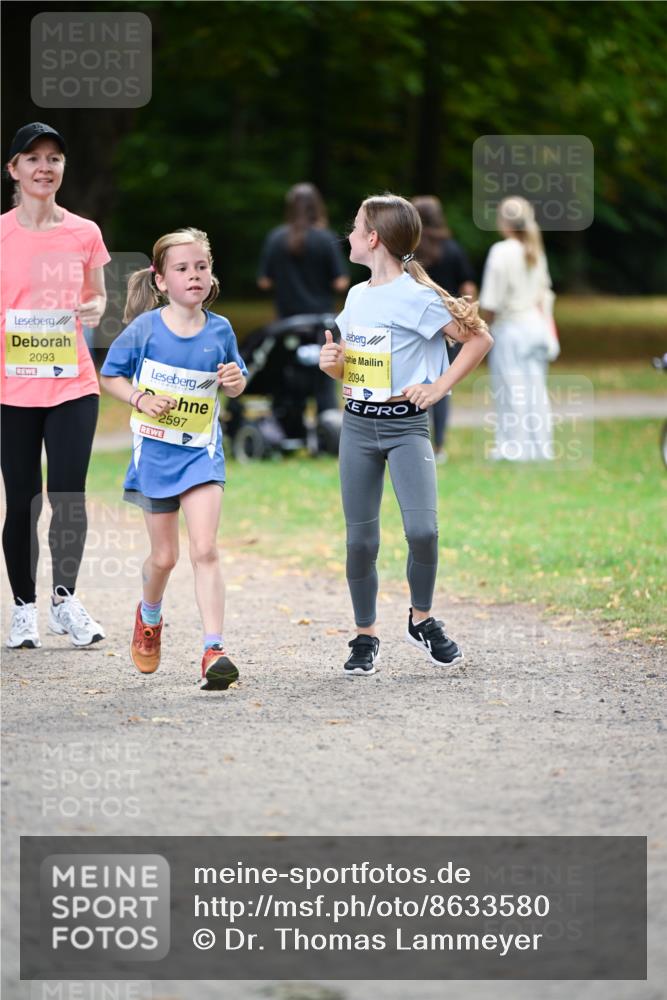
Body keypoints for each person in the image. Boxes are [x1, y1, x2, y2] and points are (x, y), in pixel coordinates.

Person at [319, 194, 493, 677]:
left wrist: (439, 387)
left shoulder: (417, 297)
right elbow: (355, 370)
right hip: (357, 426)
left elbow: (479, 338)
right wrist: (334, 366)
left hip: (407, 427)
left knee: (423, 531)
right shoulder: (356, 296)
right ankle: (364, 635)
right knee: (361, 542)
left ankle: (422, 618)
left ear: (373, 238)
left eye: (354, 227)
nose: (348, 235)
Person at [99, 228, 247, 690]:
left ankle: (213, 648)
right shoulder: (144, 329)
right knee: (164, 557)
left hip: (201, 456)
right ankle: (149, 616)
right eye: (182, 269)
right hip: (156, 457)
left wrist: (234, 379)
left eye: (201, 267)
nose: (194, 275)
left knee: (205, 550)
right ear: (161, 281)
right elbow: (111, 377)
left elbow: (238, 378)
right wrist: (140, 399)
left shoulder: (220, 328)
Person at [1, 122, 110, 649]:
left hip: (71, 382)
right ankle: (23, 608)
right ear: (14, 170)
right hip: (11, 387)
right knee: (22, 500)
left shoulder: (84, 232)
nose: (46, 167)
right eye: (34, 158)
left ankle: (64, 601)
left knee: (68, 497)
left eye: (55, 159)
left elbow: (97, 301)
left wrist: (93, 310)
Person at [257, 182, 349, 438]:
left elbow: (264, 281)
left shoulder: (276, 238)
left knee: (288, 373)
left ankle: (289, 427)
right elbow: (340, 281)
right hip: (321, 322)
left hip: (287, 324)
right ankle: (327, 430)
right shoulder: (324, 238)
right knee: (323, 376)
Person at [479, 196, 558, 462]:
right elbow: (544, 293)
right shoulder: (534, 249)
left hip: (511, 328)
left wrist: (481, 330)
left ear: (505, 221)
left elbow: (491, 301)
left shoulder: (501, 251)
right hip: (535, 327)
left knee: (510, 389)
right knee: (535, 388)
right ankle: (540, 447)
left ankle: (513, 448)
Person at [412, 195, 477, 462]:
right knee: (442, 385)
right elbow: (468, 287)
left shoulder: (409, 252)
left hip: (415, 327)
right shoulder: (452, 249)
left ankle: (418, 439)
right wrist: (465, 311)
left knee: (414, 382)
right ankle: (438, 446)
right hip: (448, 329)